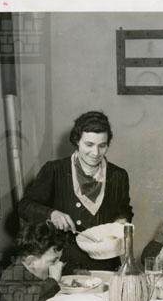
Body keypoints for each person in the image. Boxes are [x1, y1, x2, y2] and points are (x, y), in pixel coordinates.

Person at [18, 110, 133, 272]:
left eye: (102, 146)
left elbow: (124, 210)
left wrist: (121, 222)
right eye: (89, 145)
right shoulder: (54, 170)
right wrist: (52, 214)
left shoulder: (118, 176)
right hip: (64, 264)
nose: (95, 153)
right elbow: (24, 206)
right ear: (77, 141)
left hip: (106, 264)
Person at [0, 221, 66, 301]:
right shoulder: (11, 276)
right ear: (31, 262)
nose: (59, 265)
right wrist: (52, 281)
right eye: (53, 261)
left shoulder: (37, 271)